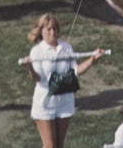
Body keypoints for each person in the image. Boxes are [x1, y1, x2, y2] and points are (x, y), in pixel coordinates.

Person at [21, 13, 105, 148]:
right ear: (41, 31)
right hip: (45, 103)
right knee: (49, 146)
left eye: (54, 28)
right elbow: (38, 79)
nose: (52, 32)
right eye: (48, 29)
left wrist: (92, 59)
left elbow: (76, 72)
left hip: (64, 101)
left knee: (59, 145)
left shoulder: (66, 47)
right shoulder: (37, 51)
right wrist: (30, 67)